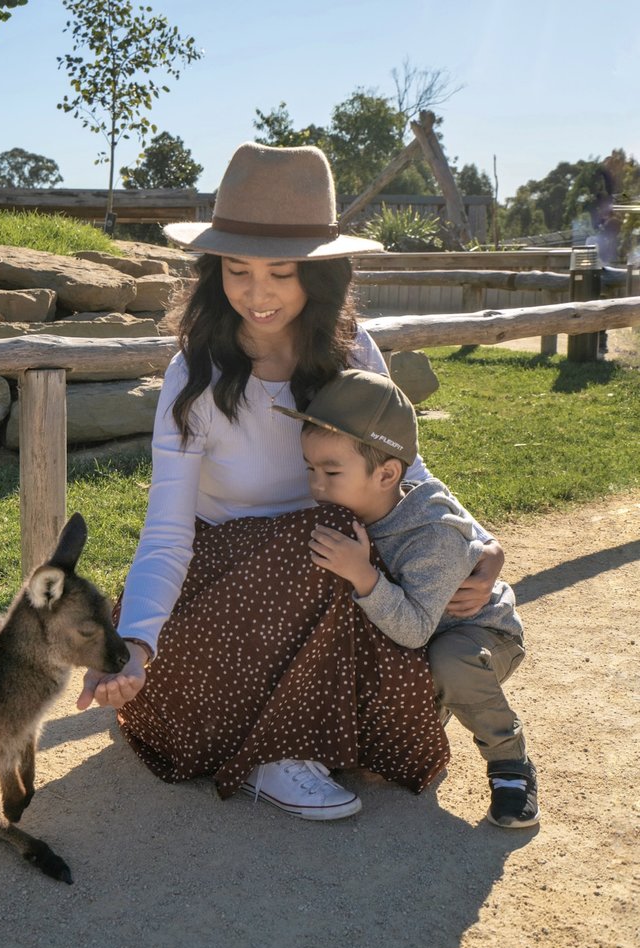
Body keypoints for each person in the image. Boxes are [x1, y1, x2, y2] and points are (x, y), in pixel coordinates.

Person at [76, 142, 505, 820]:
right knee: (333, 530)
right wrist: (133, 642)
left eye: (281, 272)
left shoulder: (351, 351)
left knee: (355, 546)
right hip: (218, 591)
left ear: (318, 274)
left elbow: (403, 468)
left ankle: (313, 726)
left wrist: (478, 543)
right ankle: (274, 752)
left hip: (328, 571)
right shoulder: (195, 375)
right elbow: (166, 531)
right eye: (237, 270)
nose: (257, 294)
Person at [276, 369, 537, 828]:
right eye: (310, 469)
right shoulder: (347, 510)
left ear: (387, 474)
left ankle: (509, 762)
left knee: (449, 661)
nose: (316, 485)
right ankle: (423, 711)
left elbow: (415, 631)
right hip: (409, 635)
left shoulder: (432, 535)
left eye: (331, 472)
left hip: (474, 636)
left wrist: (363, 575)